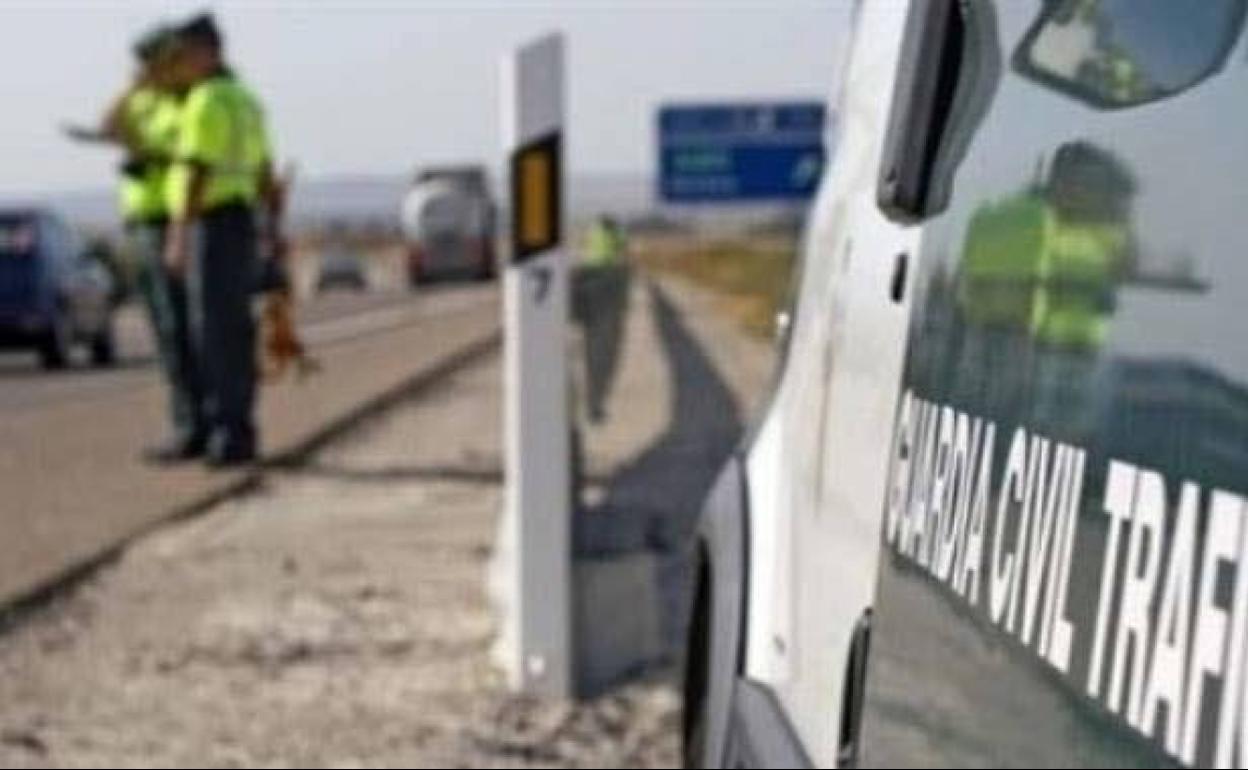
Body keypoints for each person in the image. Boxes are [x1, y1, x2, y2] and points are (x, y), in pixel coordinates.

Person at [64, 24, 206, 463]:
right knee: (167, 331)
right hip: (142, 223)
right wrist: (132, 88)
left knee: (182, 328)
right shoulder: (145, 100)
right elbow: (108, 127)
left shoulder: (183, 103)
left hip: (171, 220)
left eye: (152, 62)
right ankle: (188, 421)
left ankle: (195, 425)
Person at [164, 13, 283, 467]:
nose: (182, 65)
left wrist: (177, 236)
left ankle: (226, 432)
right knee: (236, 330)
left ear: (204, 52)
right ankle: (240, 428)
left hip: (212, 224)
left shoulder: (206, 101)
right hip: (242, 223)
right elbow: (266, 171)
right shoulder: (246, 100)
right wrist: (271, 230)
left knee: (212, 332)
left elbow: (196, 170)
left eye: (185, 55)